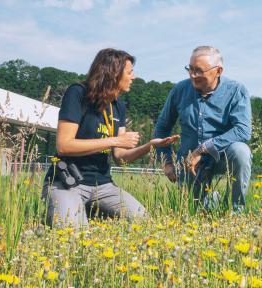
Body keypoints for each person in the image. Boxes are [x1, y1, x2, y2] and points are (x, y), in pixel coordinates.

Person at [43, 48, 178, 228]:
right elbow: (64, 145)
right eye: (129, 72)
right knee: (71, 236)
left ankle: (89, 211)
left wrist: (150, 146)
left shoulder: (118, 105)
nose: (134, 77)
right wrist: (115, 140)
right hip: (68, 182)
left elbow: (120, 156)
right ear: (113, 73)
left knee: (144, 223)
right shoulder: (78, 93)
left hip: (103, 185)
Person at [154, 46, 252, 211]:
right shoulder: (179, 90)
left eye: (199, 71)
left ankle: (235, 212)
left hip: (222, 155)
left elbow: (242, 130)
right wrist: (167, 162)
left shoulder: (236, 90)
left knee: (241, 151)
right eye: (190, 69)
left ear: (218, 71)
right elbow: (162, 128)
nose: (193, 75)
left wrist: (203, 149)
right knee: (195, 210)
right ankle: (212, 201)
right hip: (189, 161)